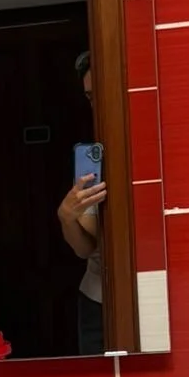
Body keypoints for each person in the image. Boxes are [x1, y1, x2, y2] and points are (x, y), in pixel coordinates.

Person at [57, 49, 107, 355]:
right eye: (89, 97)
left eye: (99, 93)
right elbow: (86, 248)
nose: (95, 104)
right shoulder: (94, 156)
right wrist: (66, 217)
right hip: (97, 299)